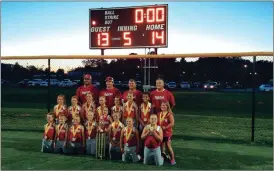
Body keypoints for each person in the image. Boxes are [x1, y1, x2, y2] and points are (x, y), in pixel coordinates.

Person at [158, 101, 176, 165]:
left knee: (168, 146)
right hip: (160, 133)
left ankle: (173, 159)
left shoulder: (169, 114)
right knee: (161, 146)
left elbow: (172, 123)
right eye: (162, 105)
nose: (163, 106)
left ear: (167, 106)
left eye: (165, 105)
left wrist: (165, 127)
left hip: (167, 133)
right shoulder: (159, 113)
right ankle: (163, 156)